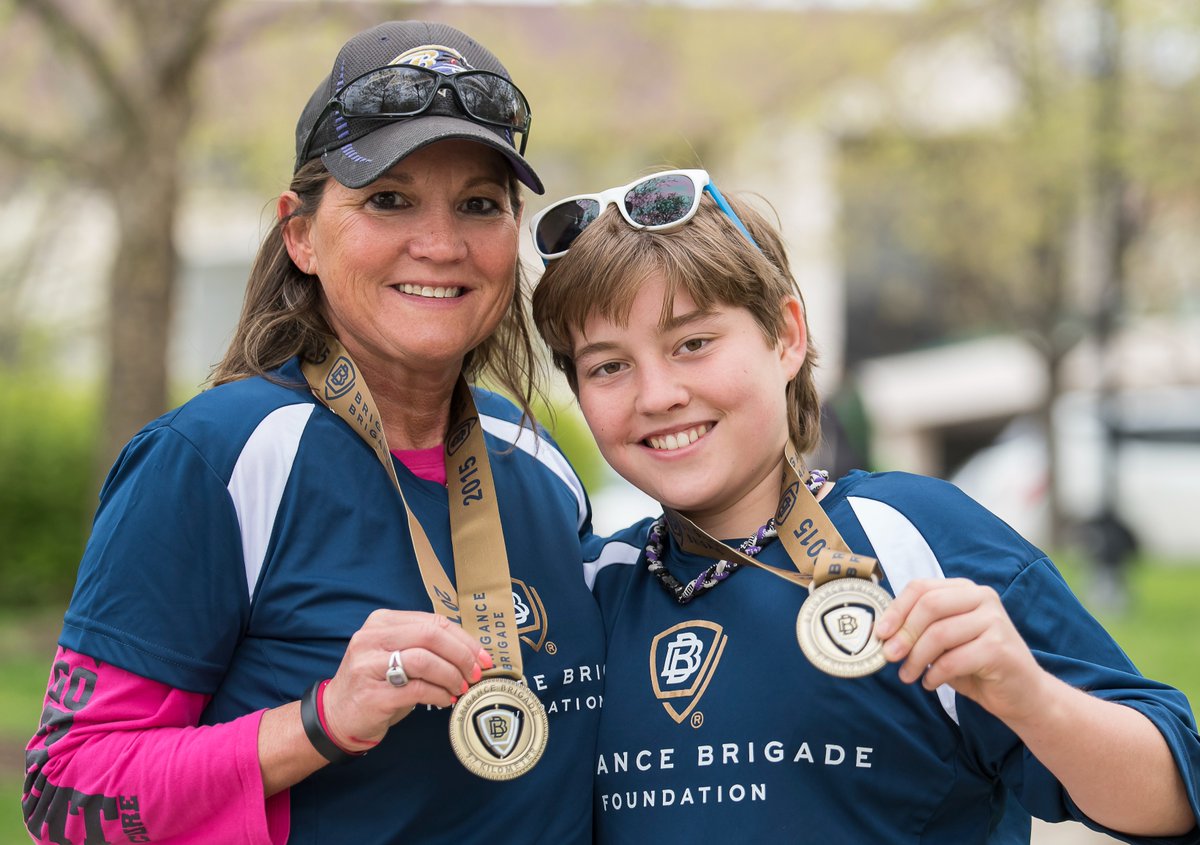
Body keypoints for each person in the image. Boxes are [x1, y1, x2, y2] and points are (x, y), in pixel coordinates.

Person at [22, 21, 605, 845]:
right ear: (300, 233)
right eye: (389, 200)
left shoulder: (540, 460)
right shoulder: (215, 458)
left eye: (479, 204)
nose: (440, 245)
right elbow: (62, 798)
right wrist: (322, 719)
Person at [529, 169, 1200, 843]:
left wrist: (1030, 698)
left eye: (693, 343)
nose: (657, 394)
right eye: (608, 365)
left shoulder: (915, 539)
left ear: (786, 336)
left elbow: (1175, 799)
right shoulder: (591, 591)